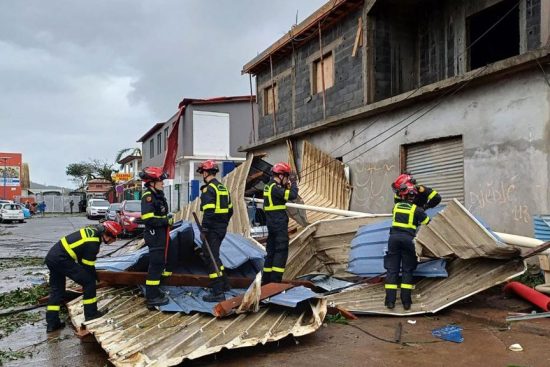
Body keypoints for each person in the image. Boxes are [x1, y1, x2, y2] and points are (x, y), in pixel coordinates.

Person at [45, 221, 122, 332]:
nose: (113, 241)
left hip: (52, 258)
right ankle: (91, 314)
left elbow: (82, 259)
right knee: (89, 282)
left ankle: (52, 324)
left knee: (57, 290)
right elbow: (87, 265)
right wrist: (94, 277)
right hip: (62, 260)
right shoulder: (94, 242)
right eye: (114, 238)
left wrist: (92, 273)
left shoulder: (91, 232)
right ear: (108, 235)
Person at [384, 183, 430, 311]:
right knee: (407, 271)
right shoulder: (417, 210)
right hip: (408, 240)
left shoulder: (396, 207)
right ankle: (406, 303)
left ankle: (390, 302)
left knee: (392, 270)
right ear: (414, 197)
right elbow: (428, 223)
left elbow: (397, 198)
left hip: (393, 239)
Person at [197, 160, 233, 302]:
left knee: (210, 257)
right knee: (215, 256)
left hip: (212, 229)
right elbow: (231, 210)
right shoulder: (223, 188)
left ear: (206, 173)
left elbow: (209, 211)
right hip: (221, 227)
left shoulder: (209, 189)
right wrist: (223, 223)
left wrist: (204, 229)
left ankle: (217, 291)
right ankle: (224, 284)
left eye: (202, 173)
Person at [139, 166, 172, 307]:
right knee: (155, 265)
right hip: (155, 235)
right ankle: (152, 297)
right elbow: (148, 219)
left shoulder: (157, 195)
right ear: (152, 182)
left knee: (159, 264)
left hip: (161, 234)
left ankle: (155, 291)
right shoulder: (148, 197)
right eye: (160, 181)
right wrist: (166, 221)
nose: (163, 183)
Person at [261, 162, 298, 285]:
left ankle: (265, 282)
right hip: (279, 223)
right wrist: (293, 183)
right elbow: (292, 195)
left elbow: (280, 198)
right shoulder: (275, 188)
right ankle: (275, 282)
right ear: (282, 176)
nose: (287, 179)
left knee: (271, 251)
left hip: (271, 223)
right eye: (287, 177)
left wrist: (286, 186)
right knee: (281, 251)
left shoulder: (269, 186)